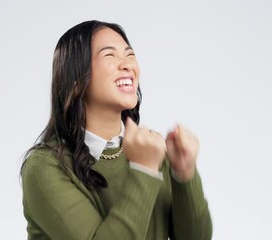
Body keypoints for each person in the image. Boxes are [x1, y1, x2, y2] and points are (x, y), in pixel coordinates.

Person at [21, 20, 212, 240]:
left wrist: (184, 174)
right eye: (109, 55)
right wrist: (145, 170)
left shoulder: (151, 149)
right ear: (75, 80)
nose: (127, 65)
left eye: (130, 55)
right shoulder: (45, 166)